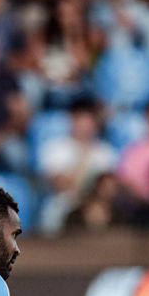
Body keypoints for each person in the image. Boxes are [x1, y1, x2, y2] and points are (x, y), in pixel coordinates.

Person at [38, 99, 118, 232]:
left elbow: (109, 188)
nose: (84, 125)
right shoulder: (55, 148)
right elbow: (61, 185)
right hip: (65, 203)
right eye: (80, 119)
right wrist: (84, 157)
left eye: (89, 120)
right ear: (72, 121)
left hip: (97, 204)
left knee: (101, 212)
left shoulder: (106, 152)